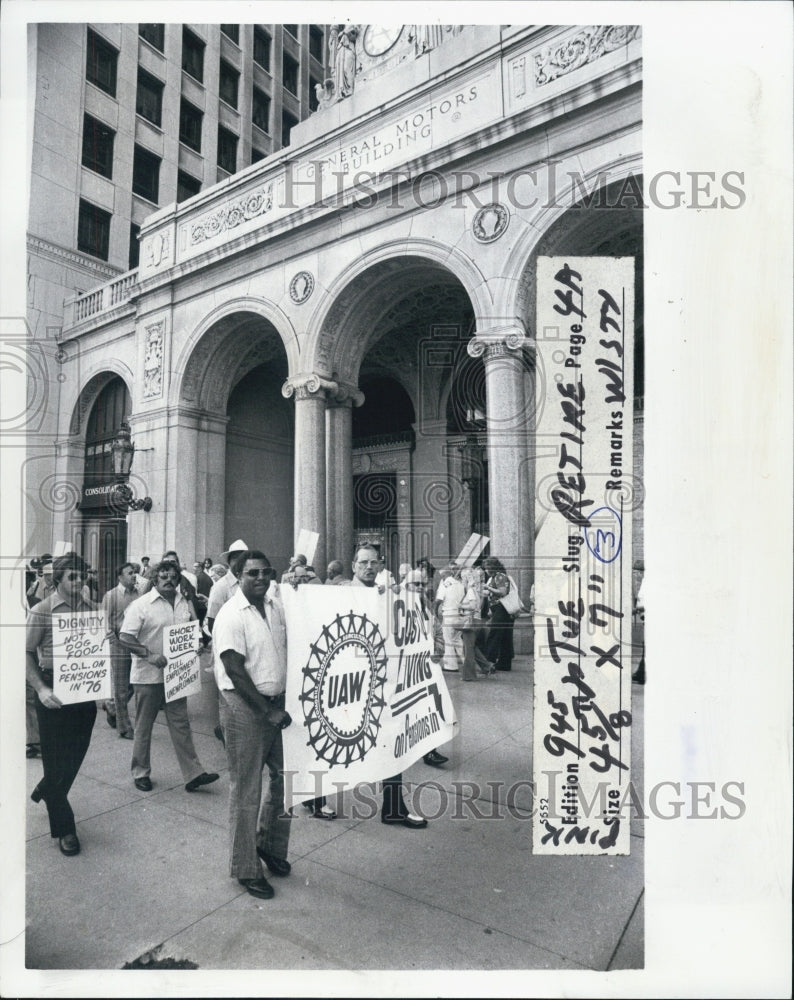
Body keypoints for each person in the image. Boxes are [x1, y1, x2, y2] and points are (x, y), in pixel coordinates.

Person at [213, 550, 292, 899]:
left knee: (285, 780)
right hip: (246, 708)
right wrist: (266, 712)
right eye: (252, 573)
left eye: (267, 572)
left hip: (276, 704)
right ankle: (245, 868)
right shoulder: (231, 615)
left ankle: (270, 846)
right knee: (246, 789)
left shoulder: (275, 607)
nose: (261, 578)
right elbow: (233, 669)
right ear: (237, 576)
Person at [119, 560, 218, 793]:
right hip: (148, 676)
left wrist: (196, 646)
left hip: (177, 675)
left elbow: (190, 631)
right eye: (163, 576)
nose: (168, 580)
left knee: (181, 723)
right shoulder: (141, 605)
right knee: (144, 726)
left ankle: (193, 773)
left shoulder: (184, 602)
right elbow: (125, 637)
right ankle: (140, 772)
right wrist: (149, 655)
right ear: (154, 578)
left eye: (173, 576)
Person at [349, 544, 428, 828]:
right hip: (350, 686)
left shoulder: (385, 595)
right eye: (364, 562)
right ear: (353, 565)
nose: (370, 567)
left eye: (375, 562)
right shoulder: (340, 594)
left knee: (392, 743)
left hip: (384, 684)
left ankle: (394, 807)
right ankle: (315, 799)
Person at [26, 553, 97, 856]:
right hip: (53, 688)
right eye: (73, 577)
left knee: (75, 755)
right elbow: (25, 653)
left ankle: (46, 787)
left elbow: (97, 656)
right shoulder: (42, 611)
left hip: (84, 690)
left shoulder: (93, 609)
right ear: (58, 580)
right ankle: (65, 829)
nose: (80, 582)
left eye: (83, 576)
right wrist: (41, 689)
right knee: (56, 759)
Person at [101, 562, 139, 738]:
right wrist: (113, 640)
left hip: (136, 644)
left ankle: (112, 706)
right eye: (130, 573)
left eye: (134, 573)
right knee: (121, 687)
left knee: (134, 683)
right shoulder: (111, 596)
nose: (134, 575)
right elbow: (105, 622)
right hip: (119, 646)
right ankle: (124, 727)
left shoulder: (139, 594)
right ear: (120, 577)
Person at [483, 557, 518, 671]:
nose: (486, 570)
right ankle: (504, 664)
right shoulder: (499, 576)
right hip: (503, 609)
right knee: (505, 636)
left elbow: (502, 592)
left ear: (492, 567)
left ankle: (488, 661)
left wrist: (488, 588)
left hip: (501, 608)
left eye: (487, 567)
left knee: (495, 634)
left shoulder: (499, 576)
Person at [436, 564, 466, 673]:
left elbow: (438, 600)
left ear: (445, 575)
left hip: (448, 614)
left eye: (442, 576)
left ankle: (451, 666)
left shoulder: (445, 584)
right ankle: (466, 661)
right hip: (458, 614)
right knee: (458, 639)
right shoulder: (460, 584)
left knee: (447, 640)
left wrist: (435, 613)